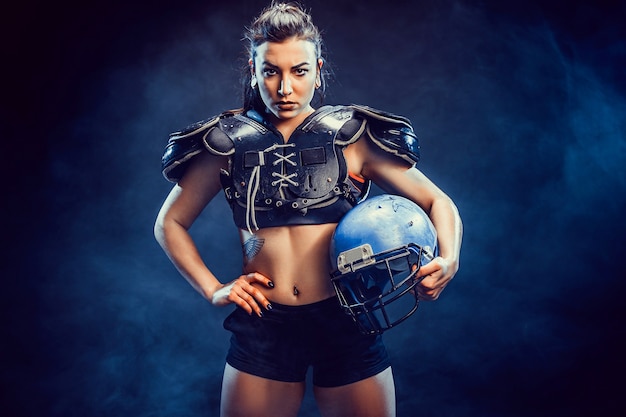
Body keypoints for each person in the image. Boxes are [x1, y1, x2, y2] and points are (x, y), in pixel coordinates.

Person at [154, 2, 462, 416]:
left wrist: (450, 258)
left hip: (348, 319)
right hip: (265, 324)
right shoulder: (226, 143)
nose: (285, 88)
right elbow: (169, 223)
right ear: (252, 69)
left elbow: (437, 201)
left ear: (318, 69)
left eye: (298, 71)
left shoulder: (351, 136)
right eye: (271, 71)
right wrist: (214, 289)